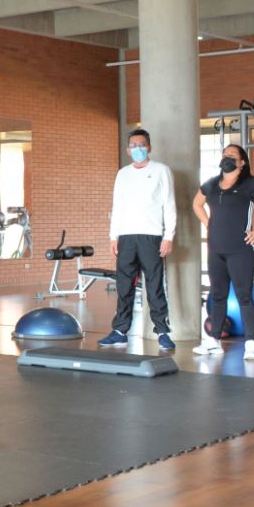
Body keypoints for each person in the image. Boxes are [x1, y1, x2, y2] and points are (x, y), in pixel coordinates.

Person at [191, 144, 254, 359]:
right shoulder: (212, 184)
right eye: (224, 155)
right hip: (215, 249)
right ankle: (214, 340)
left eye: (232, 156)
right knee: (217, 294)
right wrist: (208, 224)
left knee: (244, 295)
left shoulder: (249, 184)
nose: (227, 158)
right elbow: (197, 204)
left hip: (240, 249)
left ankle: (250, 343)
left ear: (242, 163)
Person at [100, 129, 176, 351]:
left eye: (141, 145)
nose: (137, 149)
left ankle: (162, 331)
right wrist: (113, 236)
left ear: (149, 148)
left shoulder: (162, 171)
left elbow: (169, 205)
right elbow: (117, 206)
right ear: (128, 149)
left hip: (152, 236)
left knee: (154, 286)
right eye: (133, 146)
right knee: (124, 286)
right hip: (126, 237)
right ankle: (120, 331)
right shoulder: (122, 174)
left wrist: (168, 236)